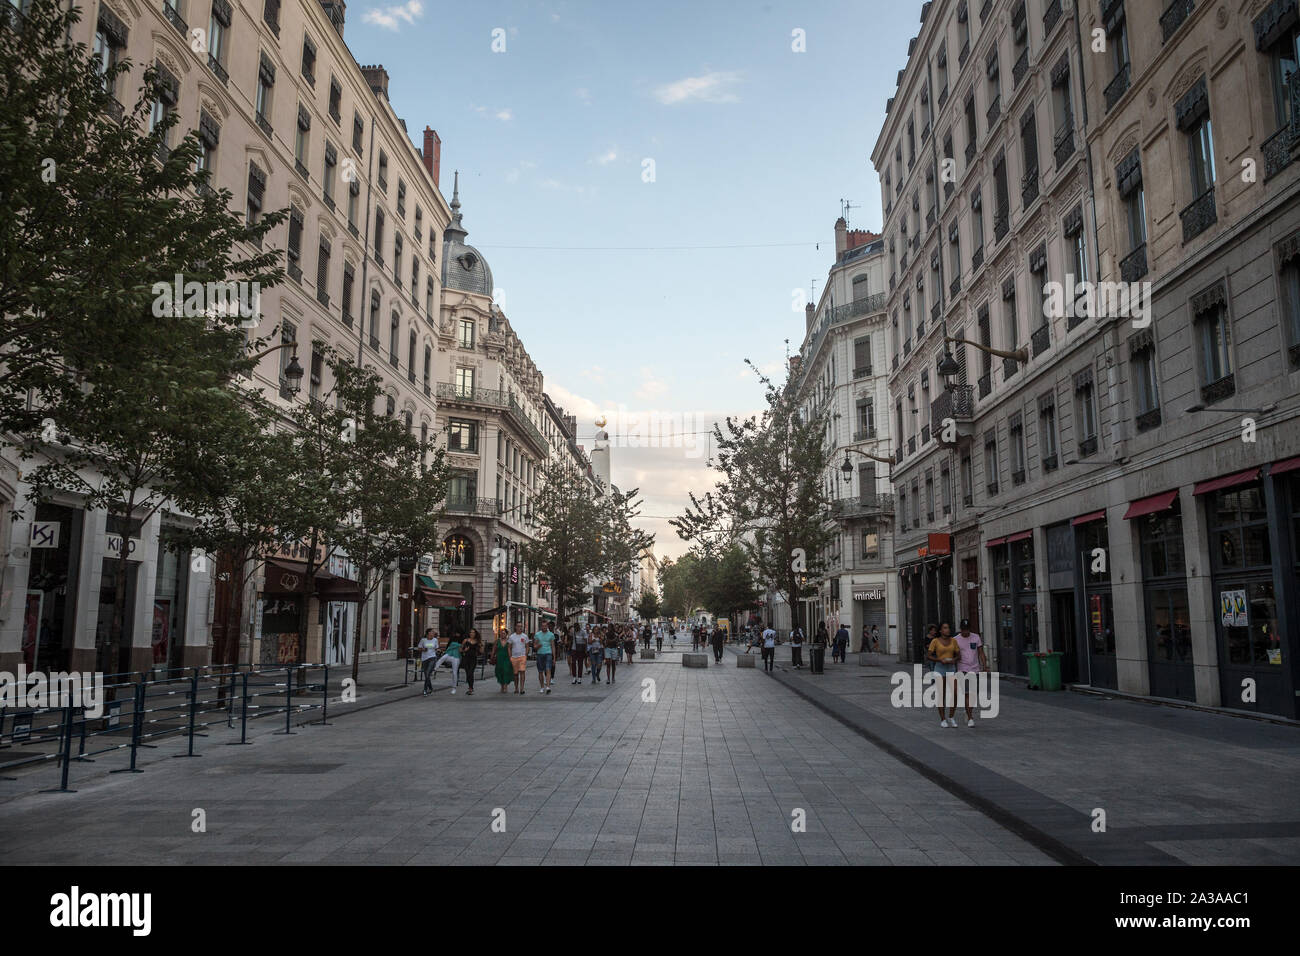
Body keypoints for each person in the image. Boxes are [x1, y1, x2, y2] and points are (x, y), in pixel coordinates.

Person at [926, 622, 961, 727]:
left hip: (951, 668)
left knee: (955, 693)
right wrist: (939, 660)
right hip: (939, 668)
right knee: (942, 695)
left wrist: (953, 660)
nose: (948, 630)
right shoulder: (935, 641)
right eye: (945, 628)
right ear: (940, 631)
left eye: (948, 628)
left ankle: (951, 717)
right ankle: (943, 719)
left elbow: (959, 656)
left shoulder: (954, 641)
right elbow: (928, 656)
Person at [954, 619, 988, 727]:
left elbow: (981, 652)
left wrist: (984, 665)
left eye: (967, 629)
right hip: (962, 669)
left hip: (975, 669)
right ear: (961, 629)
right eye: (964, 630)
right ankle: (970, 717)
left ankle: (967, 710)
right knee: (967, 693)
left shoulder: (976, 637)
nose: (966, 632)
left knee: (973, 694)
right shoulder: (956, 640)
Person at [507, 622, 530, 694]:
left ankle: (522, 689)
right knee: (515, 674)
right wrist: (510, 656)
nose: (520, 628)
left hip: (522, 656)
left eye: (521, 626)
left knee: (522, 672)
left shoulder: (525, 636)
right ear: (515, 627)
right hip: (514, 657)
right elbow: (509, 647)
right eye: (518, 626)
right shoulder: (512, 636)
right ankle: (516, 688)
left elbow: (527, 646)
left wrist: (525, 654)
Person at [534, 621, 556, 694]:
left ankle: (548, 687)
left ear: (547, 626)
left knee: (548, 669)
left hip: (548, 653)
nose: (544, 627)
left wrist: (554, 657)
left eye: (545, 626)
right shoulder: (537, 634)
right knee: (540, 671)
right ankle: (542, 687)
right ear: (541, 627)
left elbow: (553, 646)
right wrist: (537, 646)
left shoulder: (551, 635)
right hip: (540, 654)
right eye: (543, 626)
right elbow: (534, 646)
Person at [417, 628, 440, 696]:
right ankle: (430, 688)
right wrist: (423, 649)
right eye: (432, 632)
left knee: (427, 674)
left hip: (432, 658)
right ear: (428, 633)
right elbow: (419, 648)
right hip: (424, 659)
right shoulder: (423, 640)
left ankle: (425, 690)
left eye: (433, 632)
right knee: (426, 675)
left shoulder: (435, 640)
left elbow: (436, 648)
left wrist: (438, 650)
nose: (433, 633)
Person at [460, 629, 482, 696]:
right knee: (468, 673)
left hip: (473, 659)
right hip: (466, 658)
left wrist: (481, 647)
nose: (472, 634)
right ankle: (470, 687)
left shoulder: (477, 641)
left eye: (473, 632)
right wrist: (464, 650)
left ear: (475, 634)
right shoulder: (465, 640)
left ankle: (470, 688)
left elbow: (481, 652)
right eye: (470, 632)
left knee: (471, 672)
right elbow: (460, 650)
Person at [492, 630, 513, 694]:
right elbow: (494, 649)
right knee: (500, 672)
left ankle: (505, 686)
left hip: (507, 658)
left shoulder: (509, 641)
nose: (502, 634)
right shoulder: (497, 641)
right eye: (501, 633)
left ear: (506, 634)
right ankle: (502, 685)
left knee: (506, 671)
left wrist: (511, 658)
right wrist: (492, 656)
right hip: (499, 658)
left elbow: (512, 649)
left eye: (504, 633)